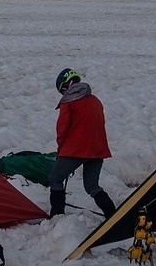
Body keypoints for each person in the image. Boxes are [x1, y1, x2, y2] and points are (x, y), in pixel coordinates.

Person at [50, 68, 116, 218]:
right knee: (92, 186)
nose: (62, 95)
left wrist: (62, 152)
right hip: (98, 149)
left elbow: (62, 130)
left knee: (55, 178)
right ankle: (112, 215)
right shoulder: (95, 100)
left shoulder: (68, 102)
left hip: (76, 150)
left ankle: (57, 216)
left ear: (66, 86)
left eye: (62, 91)